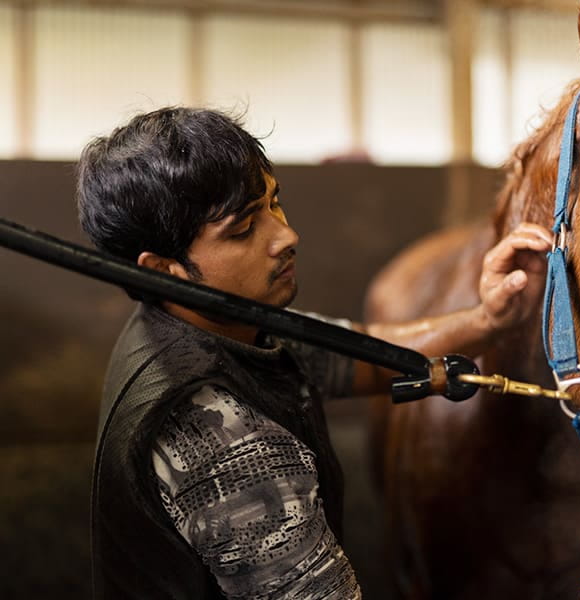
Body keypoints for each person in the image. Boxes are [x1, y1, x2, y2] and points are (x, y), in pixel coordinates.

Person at [77, 107, 553, 600]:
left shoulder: (203, 325)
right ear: (163, 268)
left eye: (273, 204)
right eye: (242, 230)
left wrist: (489, 320)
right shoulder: (224, 434)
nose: (285, 235)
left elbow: (355, 353)